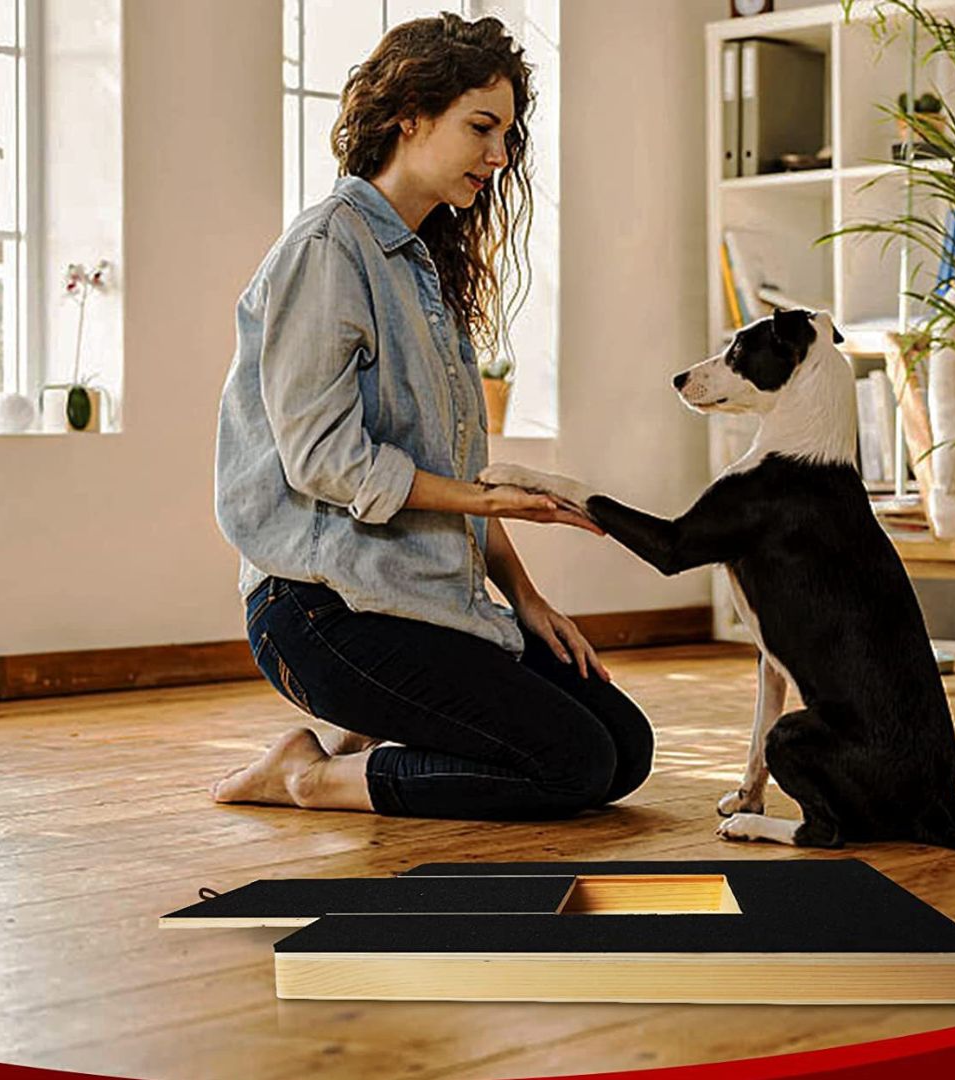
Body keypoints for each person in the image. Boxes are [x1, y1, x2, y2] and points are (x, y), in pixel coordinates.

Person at [210, 12, 654, 821]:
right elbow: (325, 462)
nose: (501, 155)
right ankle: (307, 777)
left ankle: (362, 739)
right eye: (482, 127)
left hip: (420, 599)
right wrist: (485, 502)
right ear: (408, 116)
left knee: (625, 749)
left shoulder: (423, 267)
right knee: (573, 765)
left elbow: (449, 464)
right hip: (319, 610)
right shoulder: (327, 250)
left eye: (508, 134)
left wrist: (525, 597)